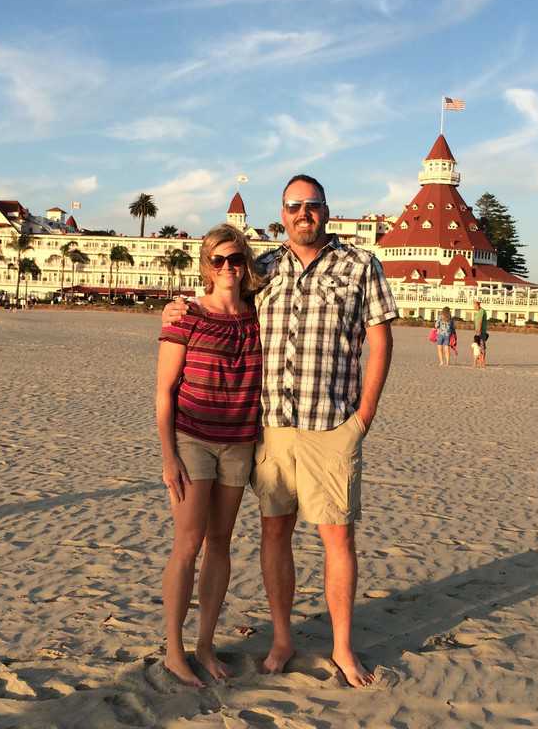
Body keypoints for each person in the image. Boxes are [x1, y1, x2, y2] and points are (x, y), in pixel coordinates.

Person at [163, 174, 396, 687]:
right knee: (274, 533)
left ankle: (341, 648)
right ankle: (283, 637)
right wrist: (175, 304)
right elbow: (216, 291)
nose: (303, 213)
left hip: (331, 423)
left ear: (326, 211)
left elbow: (380, 340)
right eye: (294, 206)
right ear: (283, 212)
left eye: (312, 205)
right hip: (271, 427)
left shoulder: (360, 265)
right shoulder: (263, 268)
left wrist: (364, 417)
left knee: (337, 538)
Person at [156, 224, 263, 687]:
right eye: (217, 261)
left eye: (235, 260)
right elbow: (164, 392)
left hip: (239, 442)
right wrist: (169, 457)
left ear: (246, 264)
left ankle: (205, 644)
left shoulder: (259, 315)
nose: (227, 269)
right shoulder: (187, 315)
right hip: (193, 440)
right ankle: (173, 651)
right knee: (188, 544)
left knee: (221, 544)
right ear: (206, 265)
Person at [472, 298, 488, 368]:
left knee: (482, 347)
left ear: (478, 305)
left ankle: (482, 362)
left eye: (474, 305)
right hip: (477, 332)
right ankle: (478, 361)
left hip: (481, 332)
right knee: (476, 347)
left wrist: (479, 330)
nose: (473, 307)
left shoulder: (482, 311)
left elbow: (480, 321)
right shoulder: (477, 313)